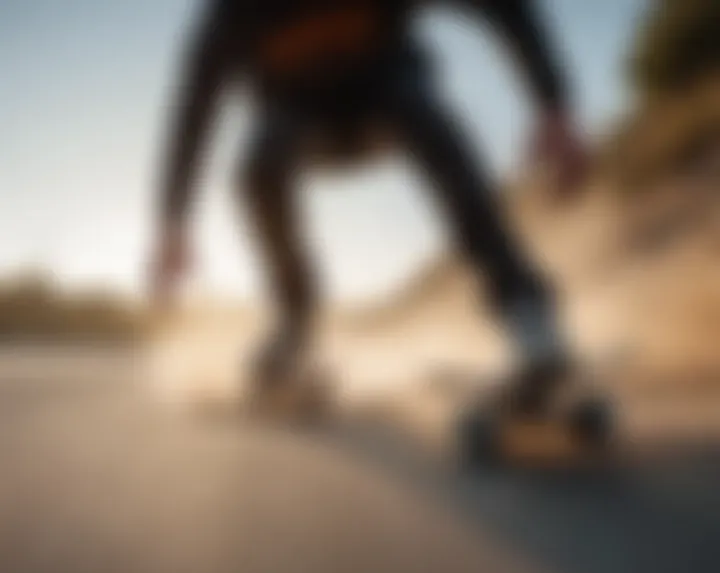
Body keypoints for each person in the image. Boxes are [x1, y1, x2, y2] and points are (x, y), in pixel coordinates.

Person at [150, 0, 589, 404]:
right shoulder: (234, 13)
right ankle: (294, 324)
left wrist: (553, 106)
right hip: (299, 119)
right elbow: (194, 107)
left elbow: (504, 7)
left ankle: (528, 316)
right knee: (259, 163)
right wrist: (173, 221)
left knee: (426, 117)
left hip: (389, 95)